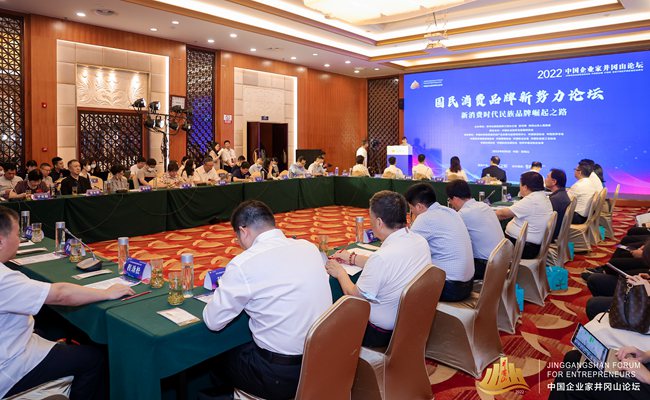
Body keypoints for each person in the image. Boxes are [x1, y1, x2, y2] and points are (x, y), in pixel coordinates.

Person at [0, 207, 134, 400]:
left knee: (46, 328)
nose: (19, 240)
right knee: (93, 360)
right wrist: (107, 293)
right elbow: (61, 295)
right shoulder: (4, 278)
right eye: (16, 234)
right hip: (8, 364)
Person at [203, 201, 331, 399]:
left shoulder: (243, 264)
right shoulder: (309, 247)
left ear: (243, 231)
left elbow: (213, 321)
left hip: (280, 376)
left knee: (215, 360)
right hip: (322, 361)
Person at [326, 191, 431, 347]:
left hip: (381, 332)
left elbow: (354, 296)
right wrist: (352, 258)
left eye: (371, 218)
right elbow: (389, 264)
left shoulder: (381, 258)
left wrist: (340, 272)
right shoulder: (419, 241)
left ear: (379, 222)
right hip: (413, 320)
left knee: (331, 316)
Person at [405, 183, 474, 301]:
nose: (412, 213)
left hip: (451, 288)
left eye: (411, 209)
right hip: (468, 283)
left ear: (419, 206)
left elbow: (407, 248)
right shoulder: (451, 212)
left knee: (403, 282)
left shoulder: (425, 218)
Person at [446, 180, 504, 280]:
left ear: (455, 199)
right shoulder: (484, 205)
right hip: (502, 261)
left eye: (449, 200)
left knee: (448, 268)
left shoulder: (463, 214)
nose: (450, 203)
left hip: (487, 266)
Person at [495, 171, 553, 259]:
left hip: (523, 248)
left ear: (525, 187)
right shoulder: (542, 197)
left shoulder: (532, 200)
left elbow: (502, 214)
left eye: (520, 185)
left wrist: (488, 214)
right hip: (528, 244)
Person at [545, 168, 572, 240]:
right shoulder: (562, 194)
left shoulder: (555, 199)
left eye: (547, 177)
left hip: (551, 235)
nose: (545, 179)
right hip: (558, 232)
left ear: (554, 182)